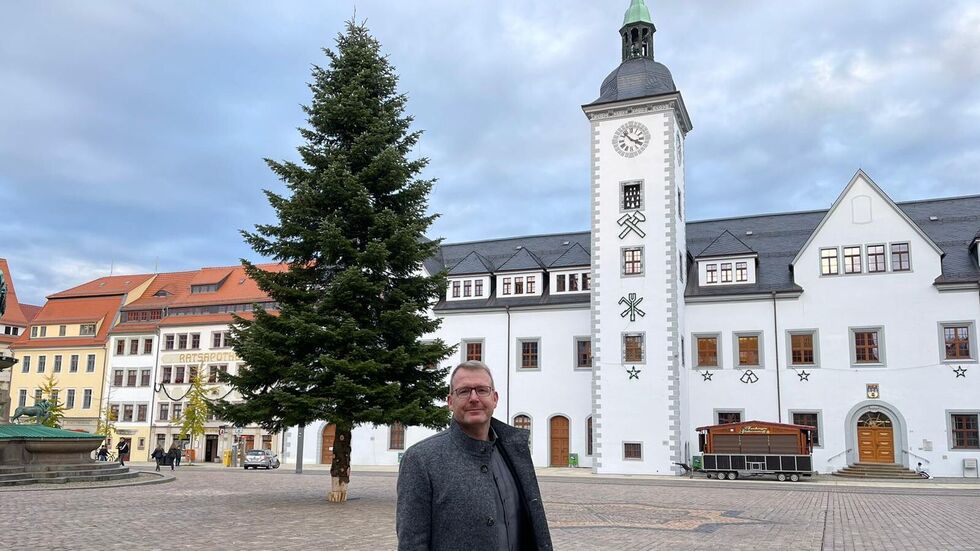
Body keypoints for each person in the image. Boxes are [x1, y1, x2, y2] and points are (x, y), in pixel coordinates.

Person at [396, 360, 552, 551]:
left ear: (494, 398)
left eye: (482, 390)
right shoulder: (420, 459)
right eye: (464, 391)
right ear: (450, 402)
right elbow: (412, 543)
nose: (474, 398)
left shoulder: (515, 451)